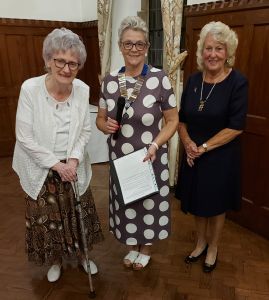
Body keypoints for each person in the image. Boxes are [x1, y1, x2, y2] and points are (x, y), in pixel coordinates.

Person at [12, 28, 103, 282]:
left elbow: (85, 130)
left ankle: (84, 256)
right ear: (49, 60)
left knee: (79, 213)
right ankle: (56, 260)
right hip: (41, 165)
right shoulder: (30, 89)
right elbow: (25, 137)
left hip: (73, 164)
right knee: (48, 218)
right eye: (60, 61)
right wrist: (56, 165)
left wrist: (72, 160)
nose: (66, 68)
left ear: (79, 65)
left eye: (72, 63)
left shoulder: (82, 90)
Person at [96, 16, 178, 270]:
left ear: (146, 47)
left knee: (148, 203)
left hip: (150, 156)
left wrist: (155, 145)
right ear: (120, 46)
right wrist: (104, 125)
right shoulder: (109, 81)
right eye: (128, 44)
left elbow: (173, 120)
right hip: (121, 158)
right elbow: (100, 119)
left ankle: (146, 247)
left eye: (139, 44)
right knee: (128, 202)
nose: (134, 49)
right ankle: (133, 245)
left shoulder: (160, 78)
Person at [175, 21, 248, 272]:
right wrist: (187, 143)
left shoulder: (237, 82)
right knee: (197, 202)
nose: (213, 54)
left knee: (216, 206)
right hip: (193, 153)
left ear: (227, 53)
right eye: (208, 48)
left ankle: (213, 246)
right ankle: (200, 242)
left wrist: (203, 147)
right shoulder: (194, 80)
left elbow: (236, 126)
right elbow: (181, 119)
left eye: (219, 48)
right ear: (201, 52)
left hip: (220, 156)